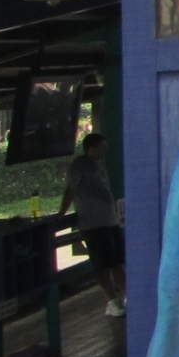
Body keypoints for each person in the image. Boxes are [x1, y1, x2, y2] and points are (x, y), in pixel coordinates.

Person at [60, 132, 126, 317]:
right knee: (103, 265)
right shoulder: (78, 166)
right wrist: (61, 213)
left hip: (109, 220)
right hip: (93, 224)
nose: (105, 150)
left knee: (117, 262)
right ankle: (112, 302)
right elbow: (71, 189)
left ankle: (129, 295)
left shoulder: (100, 165)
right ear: (91, 148)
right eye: (102, 147)